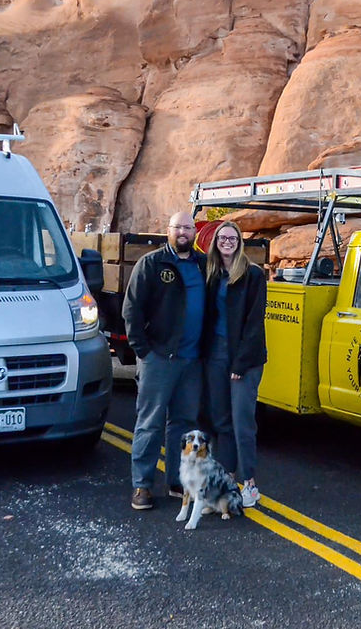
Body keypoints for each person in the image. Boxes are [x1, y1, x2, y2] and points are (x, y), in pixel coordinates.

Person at [122, 211, 206, 511]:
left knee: (182, 425)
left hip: (191, 360)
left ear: (195, 232)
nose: (182, 232)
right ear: (167, 230)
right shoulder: (152, 263)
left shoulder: (202, 264)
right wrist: (142, 350)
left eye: (187, 227)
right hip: (159, 357)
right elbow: (131, 309)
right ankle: (142, 486)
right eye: (177, 227)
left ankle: (176, 481)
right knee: (150, 423)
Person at [202, 220, 268, 508]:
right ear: (215, 241)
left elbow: (255, 324)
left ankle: (250, 483)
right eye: (222, 237)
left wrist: (240, 364)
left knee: (243, 422)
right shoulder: (211, 273)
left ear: (240, 242)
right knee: (221, 420)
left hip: (244, 357)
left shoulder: (253, 275)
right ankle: (227, 478)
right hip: (215, 353)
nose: (227, 242)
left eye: (232, 238)